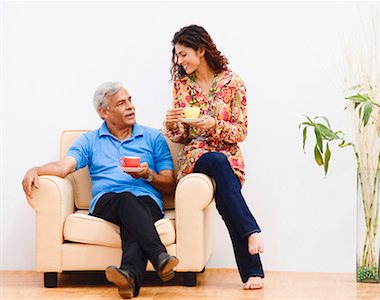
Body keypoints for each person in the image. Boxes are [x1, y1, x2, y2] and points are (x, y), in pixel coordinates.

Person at [22, 82, 179, 299]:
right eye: (122, 103)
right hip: (107, 202)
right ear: (104, 112)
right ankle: (159, 255)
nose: (131, 107)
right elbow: (63, 166)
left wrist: (147, 175)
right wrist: (37, 169)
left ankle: (129, 277)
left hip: (147, 201)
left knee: (133, 217)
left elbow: (170, 183)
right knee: (126, 198)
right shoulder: (90, 140)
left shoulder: (153, 137)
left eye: (130, 100)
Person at [163, 25, 265, 290]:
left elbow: (241, 131)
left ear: (201, 50)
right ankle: (252, 232)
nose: (179, 61)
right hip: (196, 155)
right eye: (177, 56)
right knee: (217, 163)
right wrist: (171, 123)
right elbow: (181, 135)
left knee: (225, 189)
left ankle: (253, 273)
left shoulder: (234, 83)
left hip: (228, 156)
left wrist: (214, 125)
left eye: (184, 54)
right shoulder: (182, 85)